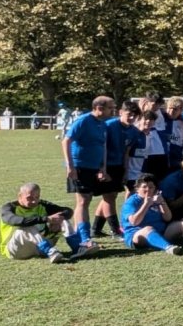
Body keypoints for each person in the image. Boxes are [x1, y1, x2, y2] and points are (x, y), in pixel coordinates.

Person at [61, 95, 115, 258]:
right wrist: (70, 165)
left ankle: (82, 236)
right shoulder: (83, 121)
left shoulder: (102, 124)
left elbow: (102, 146)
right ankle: (85, 238)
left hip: (94, 167)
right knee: (83, 200)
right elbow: (66, 141)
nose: (113, 110)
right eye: (111, 107)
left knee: (88, 199)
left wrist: (102, 167)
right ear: (100, 108)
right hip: (80, 166)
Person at [121, 173, 183, 254]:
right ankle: (168, 247)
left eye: (151, 187)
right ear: (137, 189)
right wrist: (146, 204)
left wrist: (161, 203)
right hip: (137, 235)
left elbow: (167, 218)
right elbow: (134, 222)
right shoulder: (132, 202)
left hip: (161, 232)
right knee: (148, 229)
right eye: (144, 187)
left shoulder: (157, 198)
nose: (148, 190)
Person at [0, 182, 79, 263]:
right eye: (29, 198)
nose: (34, 201)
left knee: (61, 219)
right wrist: (46, 219)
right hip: (17, 250)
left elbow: (68, 211)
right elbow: (16, 221)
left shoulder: (42, 204)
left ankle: (77, 247)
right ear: (20, 196)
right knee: (27, 226)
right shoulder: (8, 208)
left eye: (37, 197)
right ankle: (49, 251)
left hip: (39, 247)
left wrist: (57, 220)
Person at [94, 101, 140, 238]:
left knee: (110, 196)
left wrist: (126, 170)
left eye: (134, 116)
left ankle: (95, 229)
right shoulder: (109, 126)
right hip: (106, 166)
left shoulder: (134, 131)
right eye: (129, 114)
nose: (131, 118)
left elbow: (127, 151)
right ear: (120, 112)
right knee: (109, 197)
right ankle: (115, 230)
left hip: (119, 166)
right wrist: (102, 168)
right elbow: (102, 148)